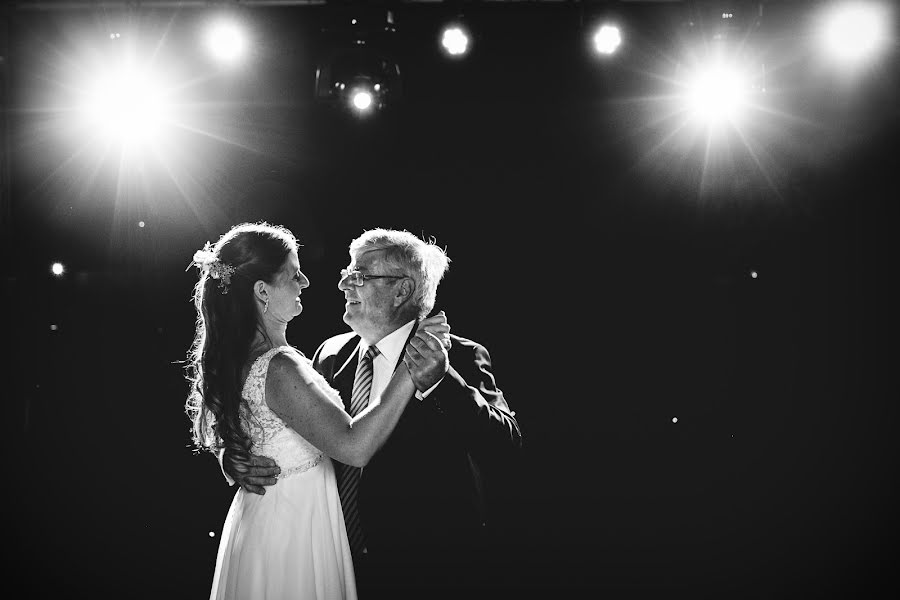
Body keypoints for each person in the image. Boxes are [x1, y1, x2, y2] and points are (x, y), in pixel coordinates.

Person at [224, 228, 523, 599]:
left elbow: (508, 448)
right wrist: (235, 455)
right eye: (347, 273)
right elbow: (287, 425)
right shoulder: (329, 354)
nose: (344, 285)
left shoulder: (459, 356)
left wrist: (442, 381)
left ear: (402, 290)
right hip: (328, 561)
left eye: (360, 276)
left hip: (425, 573)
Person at [185, 222, 450, 600]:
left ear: (402, 289)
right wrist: (411, 368)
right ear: (263, 292)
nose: (307, 282)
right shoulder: (288, 364)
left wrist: (233, 452)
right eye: (294, 275)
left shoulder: (265, 359)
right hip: (293, 534)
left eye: (359, 275)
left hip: (385, 551)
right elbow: (350, 444)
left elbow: (276, 422)